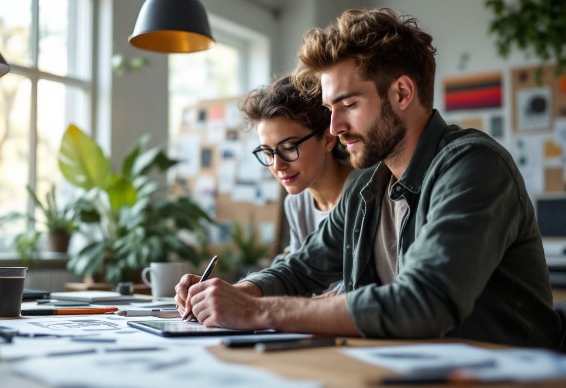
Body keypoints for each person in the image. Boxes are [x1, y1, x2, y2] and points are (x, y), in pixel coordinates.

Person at [175, 8, 561, 349]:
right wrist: (237, 292)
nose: (335, 127)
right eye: (329, 108)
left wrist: (258, 311)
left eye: (349, 105)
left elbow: (424, 302)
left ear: (402, 92)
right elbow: (303, 266)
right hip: (405, 369)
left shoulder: (472, 165)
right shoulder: (366, 185)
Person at [240, 75, 355, 294]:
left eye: (290, 147)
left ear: (328, 140)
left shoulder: (365, 192)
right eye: (267, 152)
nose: (277, 164)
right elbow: (295, 275)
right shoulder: (296, 203)